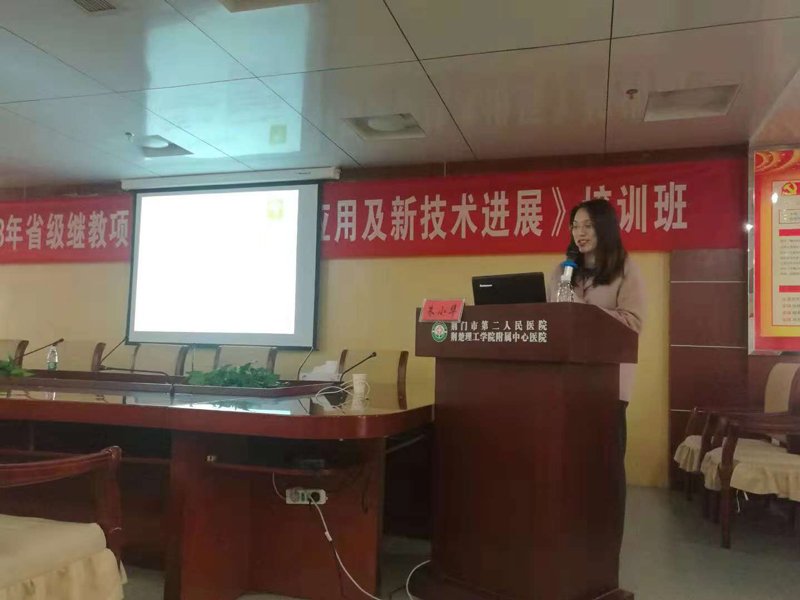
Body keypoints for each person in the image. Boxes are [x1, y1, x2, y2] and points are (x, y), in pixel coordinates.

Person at [550, 198, 645, 553]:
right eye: (575, 225)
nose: (580, 232)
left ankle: (606, 540)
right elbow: (553, 319)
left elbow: (632, 323)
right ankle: (571, 531)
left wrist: (586, 313)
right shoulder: (563, 270)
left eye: (588, 225)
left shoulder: (625, 268)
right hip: (568, 383)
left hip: (609, 386)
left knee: (606, 465)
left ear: (604, 228)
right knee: (570, 463)